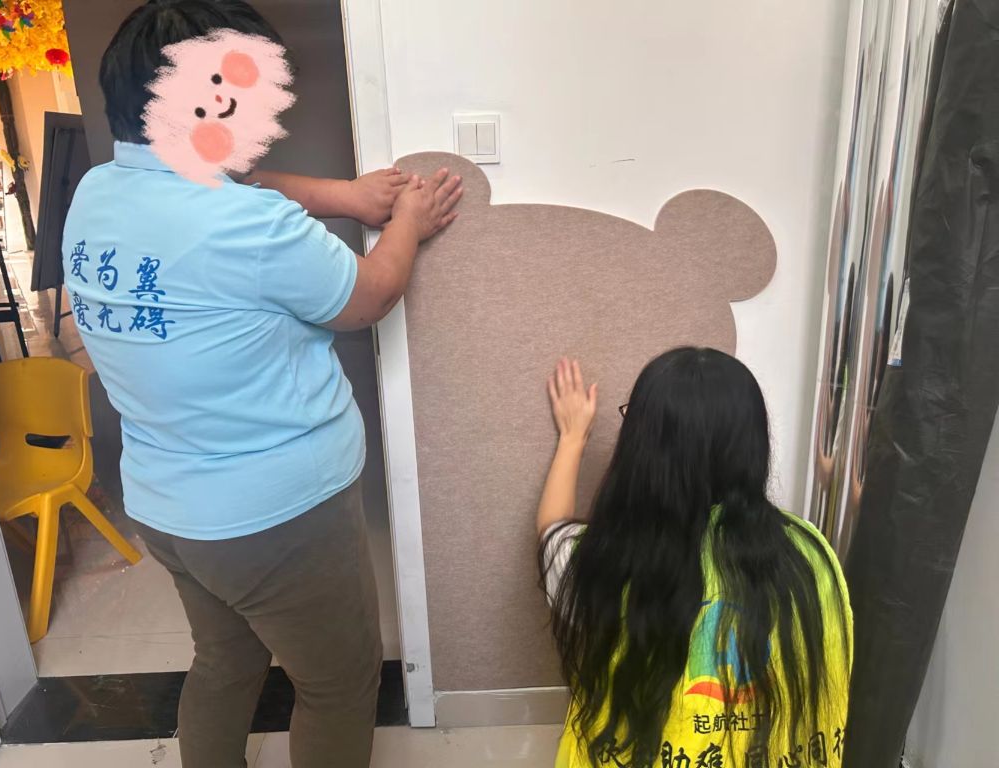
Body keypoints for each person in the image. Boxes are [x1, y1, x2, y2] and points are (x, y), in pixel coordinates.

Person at [63, 2, 462, 766]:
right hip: (275, 516)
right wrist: (408, 218)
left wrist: (345, 195)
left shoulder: (100, 192)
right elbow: (369, 296)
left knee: (225, 660)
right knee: (338, 681)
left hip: (166, 506)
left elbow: (239, 183)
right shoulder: (245, 226)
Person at [537, 350, 852, 768]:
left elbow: (551, 533)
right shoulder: (810, 552)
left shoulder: (604, 564)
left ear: (642, 448)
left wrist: (573, 438)